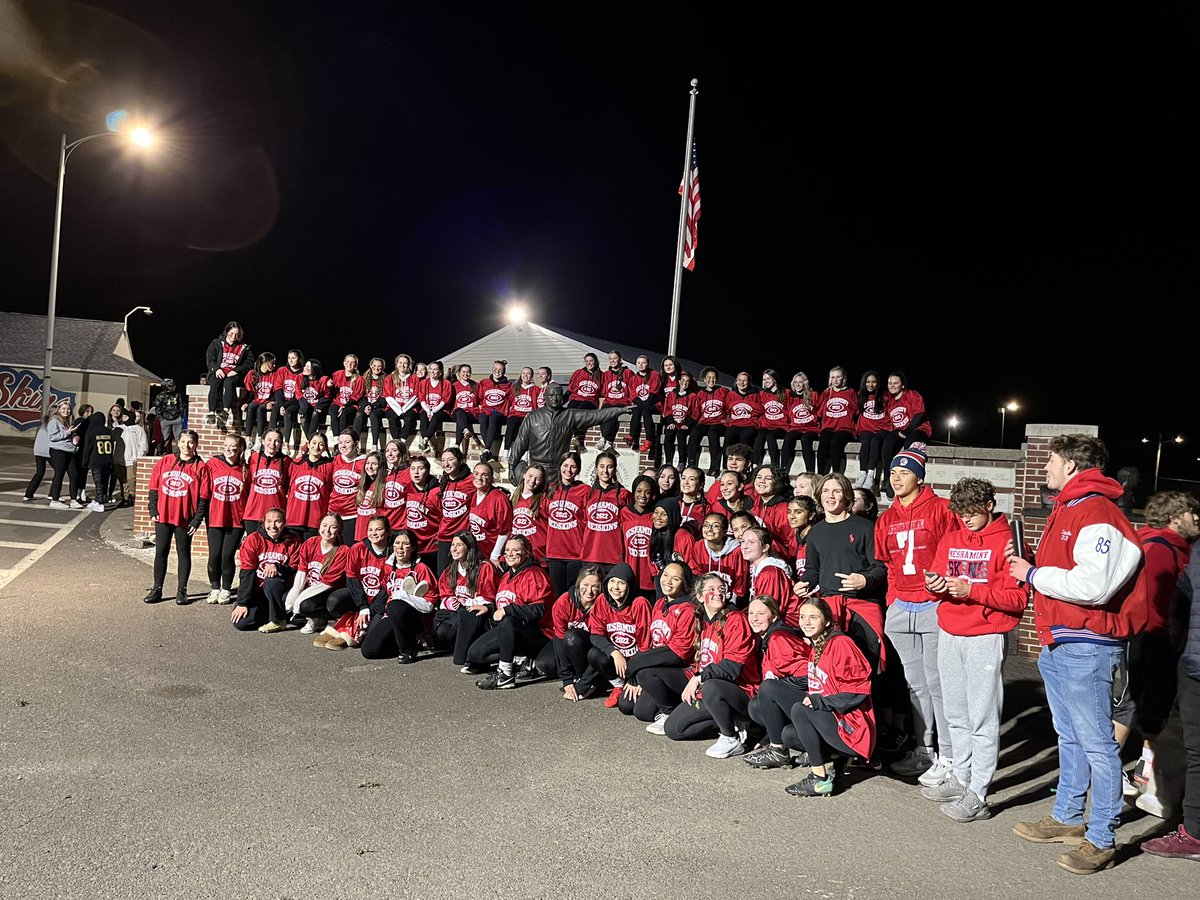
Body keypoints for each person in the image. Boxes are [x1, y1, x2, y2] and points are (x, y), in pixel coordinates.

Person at [1008, 434, 1146, 876]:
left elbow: (1094, 586)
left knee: (1098, 745)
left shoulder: (1097, 511)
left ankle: (1102, 837)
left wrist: (1031, 572)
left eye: (1050, 460)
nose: (1045, 467)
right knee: (1069, 735)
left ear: (1070, 464)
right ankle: (1067, 818)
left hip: (1087, 643)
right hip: (1063, 641)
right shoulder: (1071, 507)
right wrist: (1035, 568)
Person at [920, 477, 1028, 822]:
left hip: (986, 635)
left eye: (972, 512)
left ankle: (978, 793)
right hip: (950, 630)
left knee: (982, 717)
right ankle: (961, 778)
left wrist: (973, 592)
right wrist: (934, 585)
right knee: (955, 713)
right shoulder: (951, 538)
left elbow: (1017, 599)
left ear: (989, 506)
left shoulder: (1008, 542)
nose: (965, 519)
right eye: (961, 512)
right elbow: (937, 580)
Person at [875, 446, 959, 784]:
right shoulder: (887, 517)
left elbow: (954, 552)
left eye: (904, 472)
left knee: (938, 684)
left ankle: (950, 754)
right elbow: (890, 566)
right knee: (914, 685)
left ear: (920, 477)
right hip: (902, 607)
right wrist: (894, 601)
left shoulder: (941, 509)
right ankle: (925, 750)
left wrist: (943, 595)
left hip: (932, 604)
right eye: (893, 472)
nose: (896, 478)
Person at [1113, 490, 1198, 816]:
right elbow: (1153, 604)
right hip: (1152, 639)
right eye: (1192, 514)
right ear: (1176, 517)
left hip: (1159, 639)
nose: (1197, 520)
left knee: (1152, 712)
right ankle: (1110, 769)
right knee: (1131, 707)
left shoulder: (1171, 547)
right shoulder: (1159, 549)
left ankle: (1145, 774)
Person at [1140, 540, 1200, 862]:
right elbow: (1184, 593)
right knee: (1195, 749)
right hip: (1194, 661)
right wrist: (1178, 638)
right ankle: (1194, 833)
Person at [782, 597, 876, 797]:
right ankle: (836, 758)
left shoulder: (841, 643)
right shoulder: (817, 644)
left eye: (813, 617)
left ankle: (819, 779)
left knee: (800, 710)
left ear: (826, 621)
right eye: (802, 617)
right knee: (789, 735)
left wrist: (821, 701)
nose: (806, 622)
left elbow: (858, 690)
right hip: (832, 720)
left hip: (853, 727)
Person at [663, 573, 762, 758]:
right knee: (674, 729)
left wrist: (698, 677)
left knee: (710, 686)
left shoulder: (735, 619)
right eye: (711, 590)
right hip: (711, 691)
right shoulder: (702, 621)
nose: (718, 593)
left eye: (722, 589)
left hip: (740, 691)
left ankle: (730, 738)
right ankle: (728, 722)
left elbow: (733, 667)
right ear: (700, 597)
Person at [469, 535, 555, 688]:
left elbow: (538, 610)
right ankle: (518, 659)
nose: (509, 554)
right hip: (510, 631)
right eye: (507, 550)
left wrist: (509, 610)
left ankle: (506, 674)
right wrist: (489, 608)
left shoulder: (534, 574)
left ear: (526, 553)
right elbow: (504, 603)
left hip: (539, 634)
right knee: (475, 654)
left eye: (516, 550)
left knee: (509, 620)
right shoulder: (507, 575)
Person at [505, 382, 624, 487]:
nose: (555, 399)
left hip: (559, 472)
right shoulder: (533, 417)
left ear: (562, 398)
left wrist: (619, 410)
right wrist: (511, 466)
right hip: (537, 470)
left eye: (558, 395)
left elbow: (596, 416)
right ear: (545, 397)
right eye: (551, 395)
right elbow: (520, 443)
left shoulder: (570, 415)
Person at [745, 594, 812, 768]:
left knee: (768, 689)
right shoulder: (769, 639)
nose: (754, 618)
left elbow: (809, 675)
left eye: (761, 613)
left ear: (774, 616)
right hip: (798, 708)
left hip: (813, 705)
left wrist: (781, 687)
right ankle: (783, 743)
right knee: (757, 705)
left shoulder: (779, 639)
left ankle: (778, 751)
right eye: (751, 613)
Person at [145, 430, 212, 605]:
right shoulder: (166, 461)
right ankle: (157, 588)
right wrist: (153, 509)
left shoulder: (201, 467)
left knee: (183, 553)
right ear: (178, 442)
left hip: (185, 519)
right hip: (164, 516)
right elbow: (153, 487)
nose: (186, 445)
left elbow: (204, 497)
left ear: (196, 445)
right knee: (161, 552)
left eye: (190, 442)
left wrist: (197, 519)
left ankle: (182, 591)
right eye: (183, 441)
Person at [359, 528, 440, 663]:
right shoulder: (388, 568)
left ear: (413, 548)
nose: (400, 547)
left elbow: (429, 606)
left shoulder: (421, 569)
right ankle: (410, 644)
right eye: (397, 543)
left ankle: (408, 650)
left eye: (405, 544)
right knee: (369, 650)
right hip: (393, 615)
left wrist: (402, 596)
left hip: (417, 619)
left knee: (396, 605)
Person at [315, 515, 393, 651]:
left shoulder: (393, 551)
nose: (373, 533)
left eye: (379, 529)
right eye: (370, 529)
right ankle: (350, 622)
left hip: (382, 601)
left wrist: (371, 609)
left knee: (370, 638)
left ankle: (350, 629)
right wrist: (362, 606)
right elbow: (352, 580)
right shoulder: (358, 549)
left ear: (387, 532)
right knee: (334, 601)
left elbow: (389, 586)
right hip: (362, 597)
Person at [582, 563, 653, 708]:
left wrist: (635, 676)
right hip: (617, 662)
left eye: (621, 583)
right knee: (594, 654)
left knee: (626, 707)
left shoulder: (640, 603)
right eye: (612, 581)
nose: (615, 587)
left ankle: (635, 686)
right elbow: (596, 634)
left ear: (629, 585)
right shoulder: (602, 600)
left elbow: (645, 646)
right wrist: (615, 653)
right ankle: (618, 685)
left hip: (637, 662)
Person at [434, 531, 498, 669]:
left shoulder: (484, 567)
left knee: (466, 616)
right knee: (443, 630)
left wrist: (467, 603)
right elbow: (445, 594)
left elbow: (489, 597)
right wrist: (452, 602)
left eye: (459, 545)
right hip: (457, 613)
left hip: (478, 615)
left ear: (469, 547)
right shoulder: (451, 569)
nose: (454, 549)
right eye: (452, 545)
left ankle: (472, 653)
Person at [230, 508, 299, 633]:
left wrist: (278, 567)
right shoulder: (253, 539)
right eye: (269, 521)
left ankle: (278, 620)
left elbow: (295, 568)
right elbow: (247, 573)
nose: (272, 526)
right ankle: (278, 614)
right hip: (258, 591)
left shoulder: (293, 540)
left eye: (277, 522)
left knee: (271, 581)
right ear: (263, 523)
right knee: (241, 623)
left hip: (282, 591)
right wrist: (242, 602)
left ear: (284, 523)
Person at [285, 514, 351, 636]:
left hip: (327, 591)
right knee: (287, 599)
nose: (327, 530)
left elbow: (327, 583)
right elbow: (302, 570)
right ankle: (307, 617)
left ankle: (319, 620)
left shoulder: (343, 551)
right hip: (311, 587)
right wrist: (294, 594)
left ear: (339, 530)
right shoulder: (310, 542)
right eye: (324, 525)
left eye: (333, 527)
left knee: (305, 605)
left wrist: (299, 600)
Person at [204, 434, 248, 605]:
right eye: (226, 445)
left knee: (227, 555)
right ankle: (215, 587)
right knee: (214, 555)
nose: (228, 449)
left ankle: (226, 589)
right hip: (215, 516)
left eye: (233, 446)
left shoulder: (245, 469)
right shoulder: (213, 464)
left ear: (240, 449)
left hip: (236, 519)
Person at [551, 565, 604, 701]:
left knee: (572, 637)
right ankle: (574, 678)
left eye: (595, 586)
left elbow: (602, 643)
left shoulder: (603, 604)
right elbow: (559, 637)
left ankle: (586, 680)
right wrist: (566, 679)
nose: (589, 591)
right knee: (544, 664)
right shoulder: (564, 602)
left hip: (593, 649)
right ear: (578, 583)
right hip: (568, 644)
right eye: (585, 584)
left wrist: (585, 681)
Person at [880, 371, 932, 495]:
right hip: (900, 431)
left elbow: (919, 414)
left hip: (918, 430)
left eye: (895, 383)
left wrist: (908, 430)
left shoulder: (911, 394)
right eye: (890, 383)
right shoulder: (890, 402)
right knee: (887, 443)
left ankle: (910, 482)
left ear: (902, 385)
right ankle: (888, 479)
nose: (892, 385)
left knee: (910, 444)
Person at [580, 450, 630, 574]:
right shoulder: (587, 494)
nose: (605, 471)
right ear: (596, 469)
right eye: (602, 467)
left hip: (613, 556)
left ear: (615, 469)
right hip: (590, 555)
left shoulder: (623, 494)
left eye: (610, 467)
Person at [685, 512, 748, 603]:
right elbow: (696, 574)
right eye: (706, 525)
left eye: (715, 526)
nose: (709, 529)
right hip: (706, 599)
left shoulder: (737, 551)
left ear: (725, 531)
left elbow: (741, 582)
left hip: (730, 600)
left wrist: (732, 603)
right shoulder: (698, 547)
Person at [242, 428, 291, 538]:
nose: (272, 444)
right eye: (269, 440)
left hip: (275, 516)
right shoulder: (253, 458)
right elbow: (247, 484)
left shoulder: (287, 461)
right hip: (253, 513)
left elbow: (288, 487)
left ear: (281, 444)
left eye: (276, 441)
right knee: (253, 548)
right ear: (263, 441)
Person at [285, 433, 334, 541]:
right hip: (294, 519)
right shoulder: (296, 464)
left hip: (315, 520)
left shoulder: (329, 466)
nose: (316, 447)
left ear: (325, 447)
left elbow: (331, 491)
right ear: (308, 444)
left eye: (321, 444)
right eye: (314, 443)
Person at [205, 321, 252, 430]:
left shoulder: (243, 347)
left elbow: (249, 363)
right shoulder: (216, 343)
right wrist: (216, 369)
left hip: (232, 373)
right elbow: (210, 358)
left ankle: (225, 411)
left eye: (236, 335)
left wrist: (236, 370)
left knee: (229, 382)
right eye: (231, 334)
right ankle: (211, 412)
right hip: (218, 371)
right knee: (215, 383)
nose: (233, 337)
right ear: (226, 332)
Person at [435, 448, 474, 574]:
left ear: (460, 461)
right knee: (442, 574)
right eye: (443, 460)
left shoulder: (471, 480)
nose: (446, 464)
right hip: (444, 537)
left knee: (462, 575)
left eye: (450, 459)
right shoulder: (444, 482)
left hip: (462, 537)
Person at [467, 461, 513, 562]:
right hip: (476, 552)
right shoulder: (473, 495)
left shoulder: (499, 498)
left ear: (491, 478)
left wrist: (495, 555)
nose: (479, 477)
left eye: (484, 475)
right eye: (476, 473)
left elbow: (505, 530)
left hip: (491, 553)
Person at [816, 366, 858, 475]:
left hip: (845, 428)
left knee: (835, 442)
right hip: (829, 427)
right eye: (833, 377)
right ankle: (820, 475)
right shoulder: (826, 393)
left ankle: (836, 474)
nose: (835, 380)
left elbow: (856, 410)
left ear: (843, 378)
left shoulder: (850, 392)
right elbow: (819, 412)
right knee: (823, 441)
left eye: (838, 377)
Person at [688, 367, 729, 477]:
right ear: (704, 380)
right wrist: (687, 424)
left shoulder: (723, 391)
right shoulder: (700, 394)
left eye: (714, 378)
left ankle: (714, 466)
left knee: (713, 434)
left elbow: (730, 407)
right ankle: (691, 464)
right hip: (705, 422)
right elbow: (696, 412)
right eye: (709, 378)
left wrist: (728, 420)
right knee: (694, 433)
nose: (712, 380)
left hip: (719, 422)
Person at [45, 400, 84, 510]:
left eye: (68, 409)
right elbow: (52, 437)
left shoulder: (67, 421)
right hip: (58, 451)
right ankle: (55, 500)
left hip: (69, 450)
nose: (66, 411)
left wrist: (75, 437)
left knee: (74, 474)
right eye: (64, 409)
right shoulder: (54, 421)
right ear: (59, 410)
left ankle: (73, 500)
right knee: (59, 474)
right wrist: (68, 432)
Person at [854, 370, 888, 492]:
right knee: (867, 440)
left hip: (881, 429)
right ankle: (862, 474)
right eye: (868, 382)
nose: (870, 385)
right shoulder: (860, 395)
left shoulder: (885, 396)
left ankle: (870, 475)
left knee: (875, 441)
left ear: (878, 383)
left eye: (874, 382)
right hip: (865, 429)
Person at [476, 360, 513, 463]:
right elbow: (479, 398)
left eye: (500, 370)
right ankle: (487, 450)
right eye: (495, 369)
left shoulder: (509, 385)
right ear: (492, 369)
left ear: (504, 371)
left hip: (499, 413)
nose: (497, 372)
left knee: (493, 418)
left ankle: (486, 449)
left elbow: (511, 400)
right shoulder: (484, 383)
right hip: (486, 410)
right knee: (483, 418)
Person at [564, 352, 603, 446]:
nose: (589, 363)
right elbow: (570, 389)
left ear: (596, 361)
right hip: (576, 398)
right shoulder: (578, 373)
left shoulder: (601, 375)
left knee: (581, 409)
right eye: (587, 361)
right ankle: (569, 435)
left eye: (591, 361)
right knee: (570, 410)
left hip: (590, 400)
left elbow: (603, 392)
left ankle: (576, 435)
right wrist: (562, 400)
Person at [271, 350, 306, 452]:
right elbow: (278, 388)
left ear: (299, 359)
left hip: (295, 402)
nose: (290, 360)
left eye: (293, 358)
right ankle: (270, 438)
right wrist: (281, 405)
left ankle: (286, 443)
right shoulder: (282, 370)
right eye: (289, 357)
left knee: (288, 413)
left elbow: (299, 393)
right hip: (282, 400)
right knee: (274, 410)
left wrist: (285, 406)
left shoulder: (303, 373)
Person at [660, 370, 696, 470]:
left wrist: (688, 423)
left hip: (684, 424)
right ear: (679, 381)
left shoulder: (692, 396)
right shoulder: (672, 395)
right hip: (674, 422)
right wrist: (670, 421)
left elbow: (695, 412)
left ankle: (682, 461)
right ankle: (668, 461)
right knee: (668, 434)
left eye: (687, 381)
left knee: (681, 435)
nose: (685, 383)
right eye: (683, 380)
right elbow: (667, 409)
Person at [79, 409, 114, 512]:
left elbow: (87, 448)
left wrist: (84, 462)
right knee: (104, 481)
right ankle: (101, 498)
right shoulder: (109, 431)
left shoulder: (91, 431)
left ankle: (100, 503)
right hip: (107, 460)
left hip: (96, 460)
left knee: (98, 482)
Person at [627, 354, 662, 455]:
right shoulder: (633, 379)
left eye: (643, 363)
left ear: (648, 364)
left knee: (646, 411)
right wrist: (641, 403)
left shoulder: (654, 374)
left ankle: (649, 439)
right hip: (640, 404)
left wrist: (645, 404)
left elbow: (655, 391)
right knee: (637, 410)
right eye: (639, 363)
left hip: (653, 404)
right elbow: (633, 395)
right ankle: (631, 436)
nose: (641, 365)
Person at [383, 353, 420, 449]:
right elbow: (388, 396)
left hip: (409, 407)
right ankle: (396, 442)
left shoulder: (414, 378)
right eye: (400, 363)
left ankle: (402, 443)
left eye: (405, 363)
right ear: (396, 364)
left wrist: (404, 409)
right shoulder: (389, 378)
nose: (402, 365)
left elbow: (416, 396)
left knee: (409, 419)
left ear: (409, 365)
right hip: (393, 407)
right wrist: (399, 410)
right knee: (392, 419)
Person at [242, 352, 277, 447]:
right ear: (265, 363)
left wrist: (273, 402)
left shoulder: (274, 375)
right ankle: (248, 438)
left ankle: (259, 438)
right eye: (272, 363)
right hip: (256, 399)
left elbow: (276, 391)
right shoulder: (252, 374)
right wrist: (245, 403)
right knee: (251, 407)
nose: (274, 365)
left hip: (267, 401)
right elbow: (249, 392)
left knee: (260, 409)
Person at [754, 368, 788, 467]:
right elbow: (759, 410)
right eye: (764, 380)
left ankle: (774, 464)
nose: (766, 382)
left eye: (768, 379)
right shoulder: (762, 394)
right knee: (760, 436)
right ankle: (755, 464)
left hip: (781, 426)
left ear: (775, 379)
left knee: (770, 436)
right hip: (767, 425)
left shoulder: (785, 393)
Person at [355, 357, 389, 452]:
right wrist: (366, 405)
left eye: (379, 366)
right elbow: (360, 396)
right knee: (359, 414)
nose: (376, 368)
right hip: (366, 405)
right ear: (370, 366)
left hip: (379, 407)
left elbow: (384, 398)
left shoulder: (386, 379)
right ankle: (355, 443)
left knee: (374, 415)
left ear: (383, 368)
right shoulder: (363, 379)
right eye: (374, 366)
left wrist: (373, 406)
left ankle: (374, 445)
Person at [724, 371, 762, 456]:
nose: (741, 383)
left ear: (748, 382)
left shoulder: (755, 395)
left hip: (749, 423)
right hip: (735, 423)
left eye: (744, 380)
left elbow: (760, 410)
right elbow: (726, 410)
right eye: (739, 380)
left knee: (745, 437)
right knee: (729, 436)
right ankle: (726, 466)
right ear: (736, 381)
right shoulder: (731, 395)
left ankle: (744, 463)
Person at [117, 408, 149, 507]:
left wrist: (139, 456)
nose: (123, 418)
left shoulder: (138, 429)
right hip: (120, 459)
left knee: (131, 479)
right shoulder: (119, 428)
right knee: (123, 480)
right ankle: (125, 497)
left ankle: (133, 495)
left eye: (125, 416)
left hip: (132, 459)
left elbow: (143, 444)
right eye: (123, 416)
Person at [297, 359, 333, 441]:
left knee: (315, 413)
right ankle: (310, 440)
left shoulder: (323, 379)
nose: (305, 368)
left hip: (319, 405)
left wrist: (328, 387)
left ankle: (310, 441)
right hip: (306, 405)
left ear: (314, 369)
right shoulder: (300, 377)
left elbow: (327, 396)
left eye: (308, 366)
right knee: (303, 417)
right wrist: (304, 407)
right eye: (305, 365)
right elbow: (298, 393)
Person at [330, 354, 365, 438]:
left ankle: (343, 438)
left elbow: (356, 396)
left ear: (355, 366)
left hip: (351, 404)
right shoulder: (336, 374)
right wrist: (329, 386)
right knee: (333, 411)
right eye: (348, 362)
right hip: (338, 402)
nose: (349, 364)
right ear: (344, 363)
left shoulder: (359, 379)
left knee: (344, 414)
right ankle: (336, 438)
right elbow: (331, 392)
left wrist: (344, 406)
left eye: (352, 363)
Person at [23, 412, 52, 504]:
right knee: (60, 471)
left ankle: (28, 494)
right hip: (47, 451)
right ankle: (52, 494)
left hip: (38, 451)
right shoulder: (53, 423)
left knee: (39, 472)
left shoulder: (43, 424)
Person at [153, 377, 184, 455]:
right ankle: (165, 453)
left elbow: (180, 405)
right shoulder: (160, 396)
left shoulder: (177, 395)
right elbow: (157, 407)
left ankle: (179, 453)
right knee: (165, 438)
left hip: (176, 419)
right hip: (165, 419)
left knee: (178, 438)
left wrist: (180, 415)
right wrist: (161, 418)